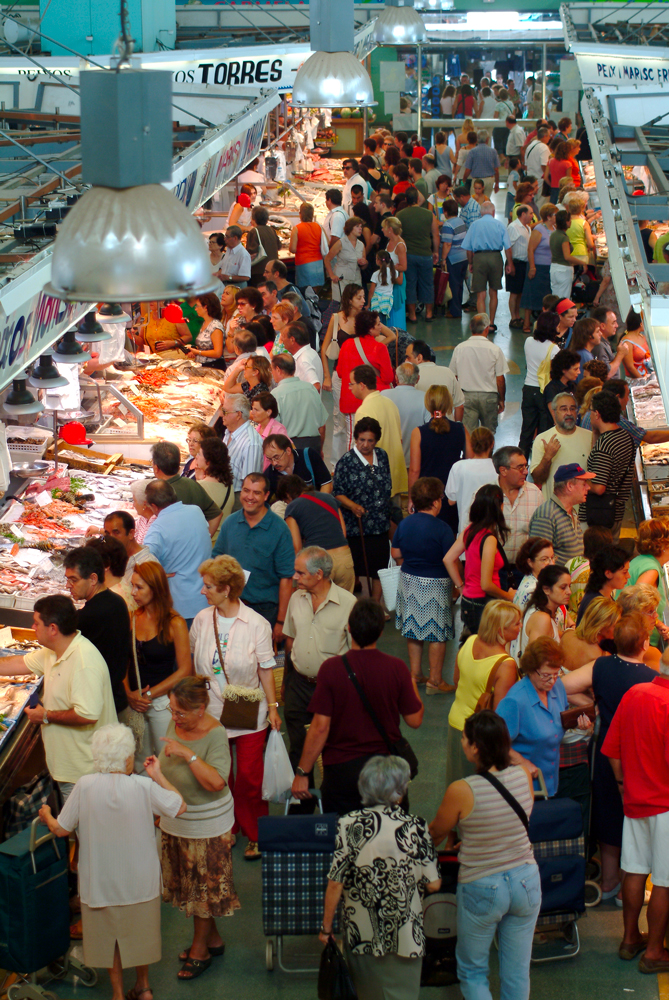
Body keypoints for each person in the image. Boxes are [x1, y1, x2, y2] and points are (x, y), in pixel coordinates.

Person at [39, 723, 185, 1000]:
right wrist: (158, 775)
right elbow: (179, 806)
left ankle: (117, 994)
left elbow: (61, 829)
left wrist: (47, 814)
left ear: (97, 756)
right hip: (140, 881)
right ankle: (143, 987)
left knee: (110, 942)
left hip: (100, 882)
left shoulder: (85, 785)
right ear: (128, 757)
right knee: (139, 936)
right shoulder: (143, 786)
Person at [429, 711, 540, 1000]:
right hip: (526, 880)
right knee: (517, 971)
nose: (463, 742)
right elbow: (514, 822)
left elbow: (435, 834)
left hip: (482, 885)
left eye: (465, 739)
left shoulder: (463, 789)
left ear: (475, 747)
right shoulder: (523, 775)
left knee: (474, 970)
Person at [320, 755, 440, 1000]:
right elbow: (434, 884)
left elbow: (335, 883)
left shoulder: (347, 824)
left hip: (362, 933)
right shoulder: (417, 826)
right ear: (399, 792)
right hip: (407, 932)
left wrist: (326, 928)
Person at [290, 599, 423, 814]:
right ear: (381, 632)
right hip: (385, 769)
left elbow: (320, 727)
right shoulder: (396, 667)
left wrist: (302, 773)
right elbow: (415, 720)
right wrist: (412, 683)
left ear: (349, 629)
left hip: (342, 772)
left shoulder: (331, 669)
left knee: (343, 836)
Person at [190, 554, 279, 860]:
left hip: (249, 714)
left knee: (250, 779)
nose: (203, 592)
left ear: (227, 589)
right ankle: (226, 826)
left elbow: (266, 668)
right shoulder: (202, 620)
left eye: (209, 587)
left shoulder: (257, 624)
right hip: (212, 715)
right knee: (219, 776)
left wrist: (274, 706)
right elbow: (194, 663)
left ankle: (255, 832)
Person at [157, 677, 239, 980]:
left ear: (201, 709)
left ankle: (199, 950)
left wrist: (187, 755)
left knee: (203, 890)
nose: (174, 718)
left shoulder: (215, 734)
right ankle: (212, 939)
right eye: (172, 711)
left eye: (180, 713)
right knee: (189, 887)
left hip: (207, 823)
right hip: (177, 820)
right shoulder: (176, 723)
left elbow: (216, 782)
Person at [0, 595, 117, 801]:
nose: (32, 626)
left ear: (53, 628)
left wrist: (45, 716)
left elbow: (87, 715)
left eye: (36, 623)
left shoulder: (83, 661)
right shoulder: (53, 651)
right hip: (68, 768)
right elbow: (17, 663)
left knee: (86, 830)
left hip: (86, 773)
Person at [601, 652, 669, 973]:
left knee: (635, 869)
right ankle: (655, 952)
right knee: (666, 882)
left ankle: (630, 938)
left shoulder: (635, 694)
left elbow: (612, 748)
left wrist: (622, 784)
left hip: (635, 799)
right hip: (665, 805)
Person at [283, 547, 356, 787]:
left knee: (334, 747)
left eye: (300, 573)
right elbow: (290, 642)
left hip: (334, 690)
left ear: (318, 575)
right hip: (299, 685)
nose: (295, 577)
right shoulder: (296, 598)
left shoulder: (348, 604)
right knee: (297, 747)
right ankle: (303, 803)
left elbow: (356, 655)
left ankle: (333, 802)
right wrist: (286, 682)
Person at [497, 637, 591, 797]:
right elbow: (494, 743)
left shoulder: (557, 687)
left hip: (551, 781)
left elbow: (556, 722)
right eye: (546, 675)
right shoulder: (515, 701)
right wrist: (522, 762)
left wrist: (577, 724)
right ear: (531, 670)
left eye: (556, 674)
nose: (552, 680)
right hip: (522, 787)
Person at [124, 559, 192, 767]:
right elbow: (124, 660)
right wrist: (129, 693)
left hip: (162, 703)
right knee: (139, 763)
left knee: (166, 760)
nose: (133, 592)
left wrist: (150, 694)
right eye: (132, 586)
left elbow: (185, 669)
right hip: (134, 701)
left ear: (155, 589)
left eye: (139, 587)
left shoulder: (175, 623)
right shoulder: (132, 617)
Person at [445, 601, 521, 783]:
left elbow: (456, 681)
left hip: (456, 723)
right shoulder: (506, 664)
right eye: (517, 623)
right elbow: (498, 714)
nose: (521, 627)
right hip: (480, 737)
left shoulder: (470, 641)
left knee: (457, 783)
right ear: (501, 629)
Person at [211, 472, 294, 638]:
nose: (250, 497)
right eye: (246, 490)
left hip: (265, 611)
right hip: (231, 606)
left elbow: (287, 578)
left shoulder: (279, 529)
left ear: (266, 496)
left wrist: (281, 622)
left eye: (256, 493)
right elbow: (216, 561)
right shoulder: (230, 523)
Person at [391, 477, 455, 692]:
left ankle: (415, 673)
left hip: (408, 580)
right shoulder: (442, 528)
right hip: (436, 584)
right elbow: (450, 559)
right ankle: (435, 681)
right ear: (436, 502)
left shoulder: (405, 523)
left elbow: (396, 552)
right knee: (438, 632)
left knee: (413, 629)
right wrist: (459, 584)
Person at [63, 547, 131, 718]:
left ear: (93, 578)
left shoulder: (90, 616)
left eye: (74, 580)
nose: (67, 586)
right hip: (115, 696)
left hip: (100, 704)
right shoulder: (117, 601)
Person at [333, 417, 392, 603]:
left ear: (376, 441)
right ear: (355, 439)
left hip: (380, 524)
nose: (365, 445)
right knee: (355, 566)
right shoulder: (346, 461)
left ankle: (375, 604)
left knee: (379, 568)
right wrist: (352, 506)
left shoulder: (382, 456)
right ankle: (352, 606)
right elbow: (337, 493)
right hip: (356, 525)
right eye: (361, 440)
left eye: (370, 441)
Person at [444, 484, 516, 634]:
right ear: (500, 507)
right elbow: (486, 584)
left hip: (470, 600)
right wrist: (508, 596)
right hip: (485, 603)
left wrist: (461, 587)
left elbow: (448, 559)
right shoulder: (489, 539)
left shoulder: (469, 531)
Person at [143, 480, 211, 626]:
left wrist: (159, 573)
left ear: (153, 506)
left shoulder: (157, 528)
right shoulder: (196, 511)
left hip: (180, 606)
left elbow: (144, 563)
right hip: (205, 600)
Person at [409, 385, 469, 534]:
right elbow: (470, 461)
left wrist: (412, 497)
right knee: (448, 537)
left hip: (425, 495)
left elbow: (415, 470)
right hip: (451, 494)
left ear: (428, 404)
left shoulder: (419, 432)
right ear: (449, 405)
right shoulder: (461, 429)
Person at [336, 314, 394, 454]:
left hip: (350, 400)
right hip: (373, 401)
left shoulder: (347, 344)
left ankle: (352, 468)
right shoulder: (379, 348)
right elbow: (388, 377)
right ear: (370, 328)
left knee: (352, 438)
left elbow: (339, 372)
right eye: (378, 324)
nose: (381, 327)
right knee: (375, 438)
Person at [580, 391, 635, 539]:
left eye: (591, 410)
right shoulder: (625, 437)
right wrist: (596, 433)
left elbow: (599, 487)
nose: (589, 414)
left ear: (597, 414)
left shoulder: (605, 446)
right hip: (614, 513)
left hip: (598, 517)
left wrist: (576, 480)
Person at [282, 483, 354, 592]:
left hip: (317, 562)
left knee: (315, 606)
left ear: (288, 495)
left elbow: (296, 547)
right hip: (343, 557)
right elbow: (343, 533)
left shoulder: (293, 507)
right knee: (345, 605)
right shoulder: (330, 498)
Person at [350, 362, 408, 499]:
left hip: (377, 480)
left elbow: (363, 450)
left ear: (362, 385)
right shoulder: (389, 403)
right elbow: (399, 439)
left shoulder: (364, 411)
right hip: (395, 475)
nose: (350, 388)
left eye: (351, 384)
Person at [450, 312, 509, 433]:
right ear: (487, 329)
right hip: (489, 398)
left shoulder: (459, 348)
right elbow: (500, 380)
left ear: (471, 327)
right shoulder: (495, 350)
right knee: (488, 436)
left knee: (469, 435)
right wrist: (501, 399)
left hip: (466, 397)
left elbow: (453, 376)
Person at [151, 442, 222, 535]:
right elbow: (216, 515)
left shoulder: (160, 492)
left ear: (156, 468)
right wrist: (204, 540)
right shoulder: (191, 483)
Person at [461, 204, 513, 331]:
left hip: (479, 258)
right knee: (493, 292)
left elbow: (468, 248)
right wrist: (510, 263)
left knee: (481, 294)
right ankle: (492, 323)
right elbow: (508, 247)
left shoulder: (474, 225)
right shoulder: (499, 225)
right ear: (493, 212)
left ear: (481, 212)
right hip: (495, 257)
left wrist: (471, 263)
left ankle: (483, 325)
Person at [530, 395, 593, 500]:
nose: (569, 413)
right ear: (554, 413)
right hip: (554, 510)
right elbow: (537, 479)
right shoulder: (542, 439)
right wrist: (547, 457)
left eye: (572, 409)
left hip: (583, 509)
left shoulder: (590, 437)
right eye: (564, 409)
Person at [396, 188, 440, 324]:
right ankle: (429, 313)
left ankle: (413, 315)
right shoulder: (429, 214)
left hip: (408, 256)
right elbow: (436, 234)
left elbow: (397, 236)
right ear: (417, 199)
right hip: (425, 254)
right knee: (427, 284)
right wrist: (436, 251)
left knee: (410, 284)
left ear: (406, 200)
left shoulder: (400, 215)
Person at [493, 446, 543, 567]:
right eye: (520, 467)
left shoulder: (535, 493)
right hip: (493, 570)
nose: (526, 471)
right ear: (503, 470)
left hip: (525, 569)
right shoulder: (486, 495)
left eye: (526, 466)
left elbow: (542, 533)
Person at [518, 314, 560, 457]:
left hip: (528, 389)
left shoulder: (528, 341)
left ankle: (521, 461)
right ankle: (540, 461)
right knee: (544, 431)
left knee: (526, 430)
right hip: (545, 391)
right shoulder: (554, 349)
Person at [513, 563, 573, 661]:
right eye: (563, 587)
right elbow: (535, 661)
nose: (569, 591)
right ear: (546, 590)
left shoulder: (542, 612)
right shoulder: (542, 618)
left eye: (569, 586)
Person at [270, 353, 329, 453]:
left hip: (289, 447)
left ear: (278, 370)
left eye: (272, 370)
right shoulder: (311, 389)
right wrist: (320, 449)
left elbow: (274, 430)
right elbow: (322, 426)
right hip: (313, 445)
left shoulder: (275, 395)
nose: (272, 373)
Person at [445, 426, 497, 534]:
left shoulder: (458, 467)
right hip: (492, 529)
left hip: (466, 530)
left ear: (471, 444)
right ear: (492, 444)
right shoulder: (498, 468)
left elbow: (451, 501)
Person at [627, 518, 669, 648]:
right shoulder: (651, 570)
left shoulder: (641, 560)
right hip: (638, 640)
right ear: (663, 545)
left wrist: (658, 623)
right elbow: (634, 603)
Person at [380, 361, 430, 468]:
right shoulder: (426, 398)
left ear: (396, 378)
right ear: (418, 379)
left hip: (387, 461)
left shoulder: (383, 395)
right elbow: (429, 429)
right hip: (415, 462)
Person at [220, 394, 264, 503]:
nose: (221, 415)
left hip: (236, 500)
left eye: (225, 411)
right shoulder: (228, 432)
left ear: (238, 415)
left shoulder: (251, 443)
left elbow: (251, 485)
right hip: (224, 494)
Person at [191, 437, 235, 544]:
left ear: (208, 461)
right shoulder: (229, 485)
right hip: (222, 542)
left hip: (206, 544)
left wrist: (198, 482)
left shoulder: (200, 487)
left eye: (200, 454)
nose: (196, 456)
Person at [560, 595, 621, 671]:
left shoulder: (566, 635)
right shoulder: (601, 658)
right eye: (615, 625)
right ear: (601, 626)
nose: (618, 629)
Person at [574, 546, 631, 625]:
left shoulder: (603, 596)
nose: (628, 576)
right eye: (624, 572)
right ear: (608, 573)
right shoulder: (596, 604)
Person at [405, 340, 464, 413]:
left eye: (408, 357)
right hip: (447, 423)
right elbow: (459, 406)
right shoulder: (448, 373)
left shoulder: (410, 377)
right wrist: (457, 424)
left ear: (419, 358)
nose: (405, 361)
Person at [262, 434, 332, 495]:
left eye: (276, 457)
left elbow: (327, 484)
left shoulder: (308, 456)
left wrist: (318, 505)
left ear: (288, 451)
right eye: (270, 459)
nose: (274, 463)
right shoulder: (269, 474)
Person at [323, 217, 367, 303]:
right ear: (350, 228)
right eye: (357, 226)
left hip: (356, 279)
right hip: (342, 280)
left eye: (361, 226)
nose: (360, 228)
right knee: (342, 305)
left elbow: (364, 266)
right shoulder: (340, 243)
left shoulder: (361, 245)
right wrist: (331, 275)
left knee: (356, 305)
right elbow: (327, 259)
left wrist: (364, 263)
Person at [439, 197, 469, 319]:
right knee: (459, 284)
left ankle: (454, 311)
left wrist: (443, 259)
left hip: (453, 259)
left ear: (445, 212)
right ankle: (457, 308)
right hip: (464, 257)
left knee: (453, 285)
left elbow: (447, 244)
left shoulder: (448, 225)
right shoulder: (461, 221)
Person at [512, 536, 556, 620]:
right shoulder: (532, 591)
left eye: (552, 557)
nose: (552, 564)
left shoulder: (539, 582)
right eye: (544, 559)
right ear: (530, 562)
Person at [506, 204, 532, 328]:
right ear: (523, 214)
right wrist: (510, 264)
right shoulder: (514, 227)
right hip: (515, 262)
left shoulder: (527, 228)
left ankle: (518, 316)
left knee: (520, 292)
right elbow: (508, 246)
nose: (532, 216)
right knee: (514, 292)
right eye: (530, 213)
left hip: (524, 263)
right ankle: (513, 317)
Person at [289, 202, 324, 290]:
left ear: (300, 214)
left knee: (305, 293)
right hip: (318, 263)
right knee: (315, 293)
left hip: (304, 264)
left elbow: (292, 249)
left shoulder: (297, 228)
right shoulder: (318, 226)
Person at [280, 322, 323, 392]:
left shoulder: (303, 360)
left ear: (292, 340)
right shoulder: (310, 352)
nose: (282, 339)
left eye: (284, 336)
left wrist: (302, 401)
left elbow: (316, 386)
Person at [186, 294, 226, 369]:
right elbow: (206, 347)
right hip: (202, 365)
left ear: (205, 307)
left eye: (197, 306)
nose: (195, 309)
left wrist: (198, 352)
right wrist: (194, 351)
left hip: (213, 366)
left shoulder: (215, 326)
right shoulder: (205, 323)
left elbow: (218, 353)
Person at [248, 391, 288, 465]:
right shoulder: (257, 429)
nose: (252, 413)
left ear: (268, 412)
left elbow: (287, 455)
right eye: (252, 409)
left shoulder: (278, 430)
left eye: (256, 410)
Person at [543, 351, 582, 423]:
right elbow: (556, 418)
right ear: (564, 370)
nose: (579, 372)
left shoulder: (573, 386)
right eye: (575, 369)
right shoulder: (551, 389)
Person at [247, 206, 281, 286]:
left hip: (259, 271)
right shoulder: (272, 230)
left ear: (254, 219)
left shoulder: (254, 231)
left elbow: (252, 253)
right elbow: (279, 246)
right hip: (273, 269)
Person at [461, 129, 500, 197]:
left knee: (475, 202)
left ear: (477, 139)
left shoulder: (472, 152)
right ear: (487, 139)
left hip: (476, 180)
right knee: (486, 201)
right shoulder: (493, 151)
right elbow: (496, 169)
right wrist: (497, 183)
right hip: (489, 180)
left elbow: (468, 169)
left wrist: (464, 180)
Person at [619, 307, 653, 379]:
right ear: (641, 324)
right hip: (636, 380)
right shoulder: (627, 342)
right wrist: (643, 381)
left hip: (648, 376)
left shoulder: (642, 336)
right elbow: (630, 367)